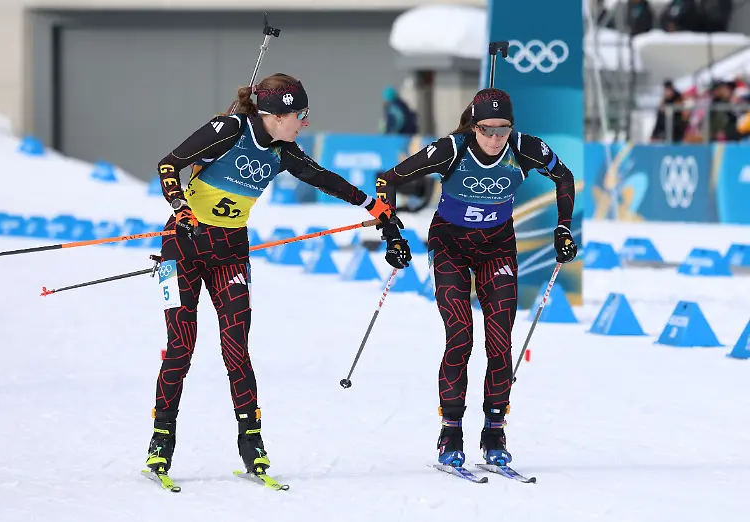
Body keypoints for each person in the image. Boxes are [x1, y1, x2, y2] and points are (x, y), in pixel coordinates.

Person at [146, 73, 393, 479]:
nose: (304, 123)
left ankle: (251, 442)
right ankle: (161, 439)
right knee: (181, 347)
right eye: (301, 114)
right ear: (278, 114)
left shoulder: (283, 151)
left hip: (229, 253)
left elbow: (324, 178)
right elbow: (168, 164)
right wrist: (180, 206)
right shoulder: (229, 129)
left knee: (236, 349)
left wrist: (374, 206)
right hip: (183, 247)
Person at [374, 88, 577, 468]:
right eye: (487, 130)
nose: (496, 139)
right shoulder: (451, 149)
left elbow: (564, 178)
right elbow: (387, 181)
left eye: (503, 129)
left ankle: (494, 430)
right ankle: (451, 430)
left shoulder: (525, 147)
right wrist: (392, 234)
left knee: (500, 342)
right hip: (450, 246)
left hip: (497, 248)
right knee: (460, 336)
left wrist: (563, 229)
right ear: (474, 124)